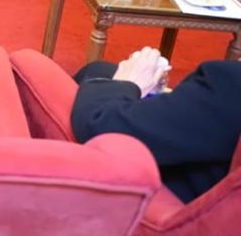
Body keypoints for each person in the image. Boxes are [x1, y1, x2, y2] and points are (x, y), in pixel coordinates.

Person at [71, 46, 241, 203]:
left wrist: (127, 84)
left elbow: (99, 124)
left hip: (161, 203)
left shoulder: (229, 84)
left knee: (95, 73)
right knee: (103, 69)